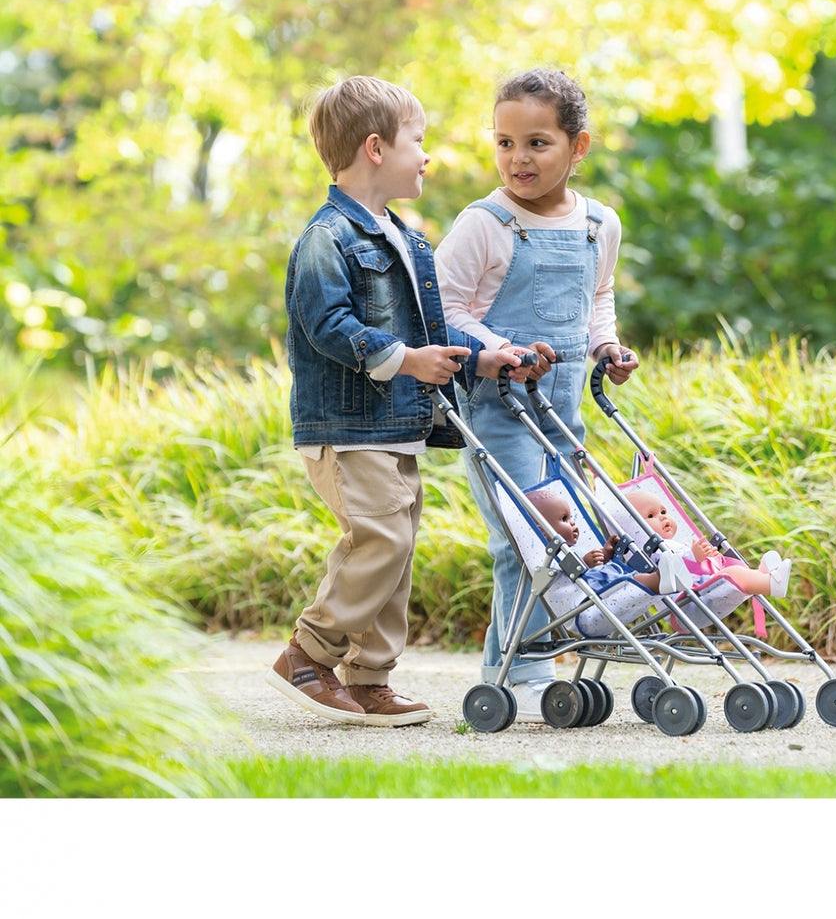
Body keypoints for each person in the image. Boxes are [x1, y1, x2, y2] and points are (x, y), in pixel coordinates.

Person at [269, 75, 524, 727]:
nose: (428, 155)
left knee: (397, 548)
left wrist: (479, 359)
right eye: (419, 141)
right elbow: (328, 327)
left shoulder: (405, 240)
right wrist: (405, 361)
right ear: (376, 148)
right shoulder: (326, 239)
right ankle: (308, 653)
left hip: (397, 424)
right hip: (348, 426)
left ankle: (369, 678)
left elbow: (429, 334)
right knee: (378, 538)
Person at [435, 66, 639, 721]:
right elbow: (439, 311)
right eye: (504, 142)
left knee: (573, 537)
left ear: (578, 147)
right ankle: (520, 671)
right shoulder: (484, 224)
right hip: (497, 410)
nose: (517, 158)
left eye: (536, 143)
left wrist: (606, 346)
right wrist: (491, 349)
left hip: (562, 411)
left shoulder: (598, 224)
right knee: (525, 538)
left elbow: (596, 298)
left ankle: (524, 668)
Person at [530, 488, 790, 599]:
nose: (574, 524)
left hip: (695, 583)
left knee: (733, 571)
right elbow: (570, 575)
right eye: (651, 517)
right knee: (732, 574)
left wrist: (606, 553)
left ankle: (764, 577)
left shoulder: (672, 544)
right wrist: (695, 558)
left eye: (664, 511)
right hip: (681, 589)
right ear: (542, 529)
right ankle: (768, 582)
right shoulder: (548, 557)